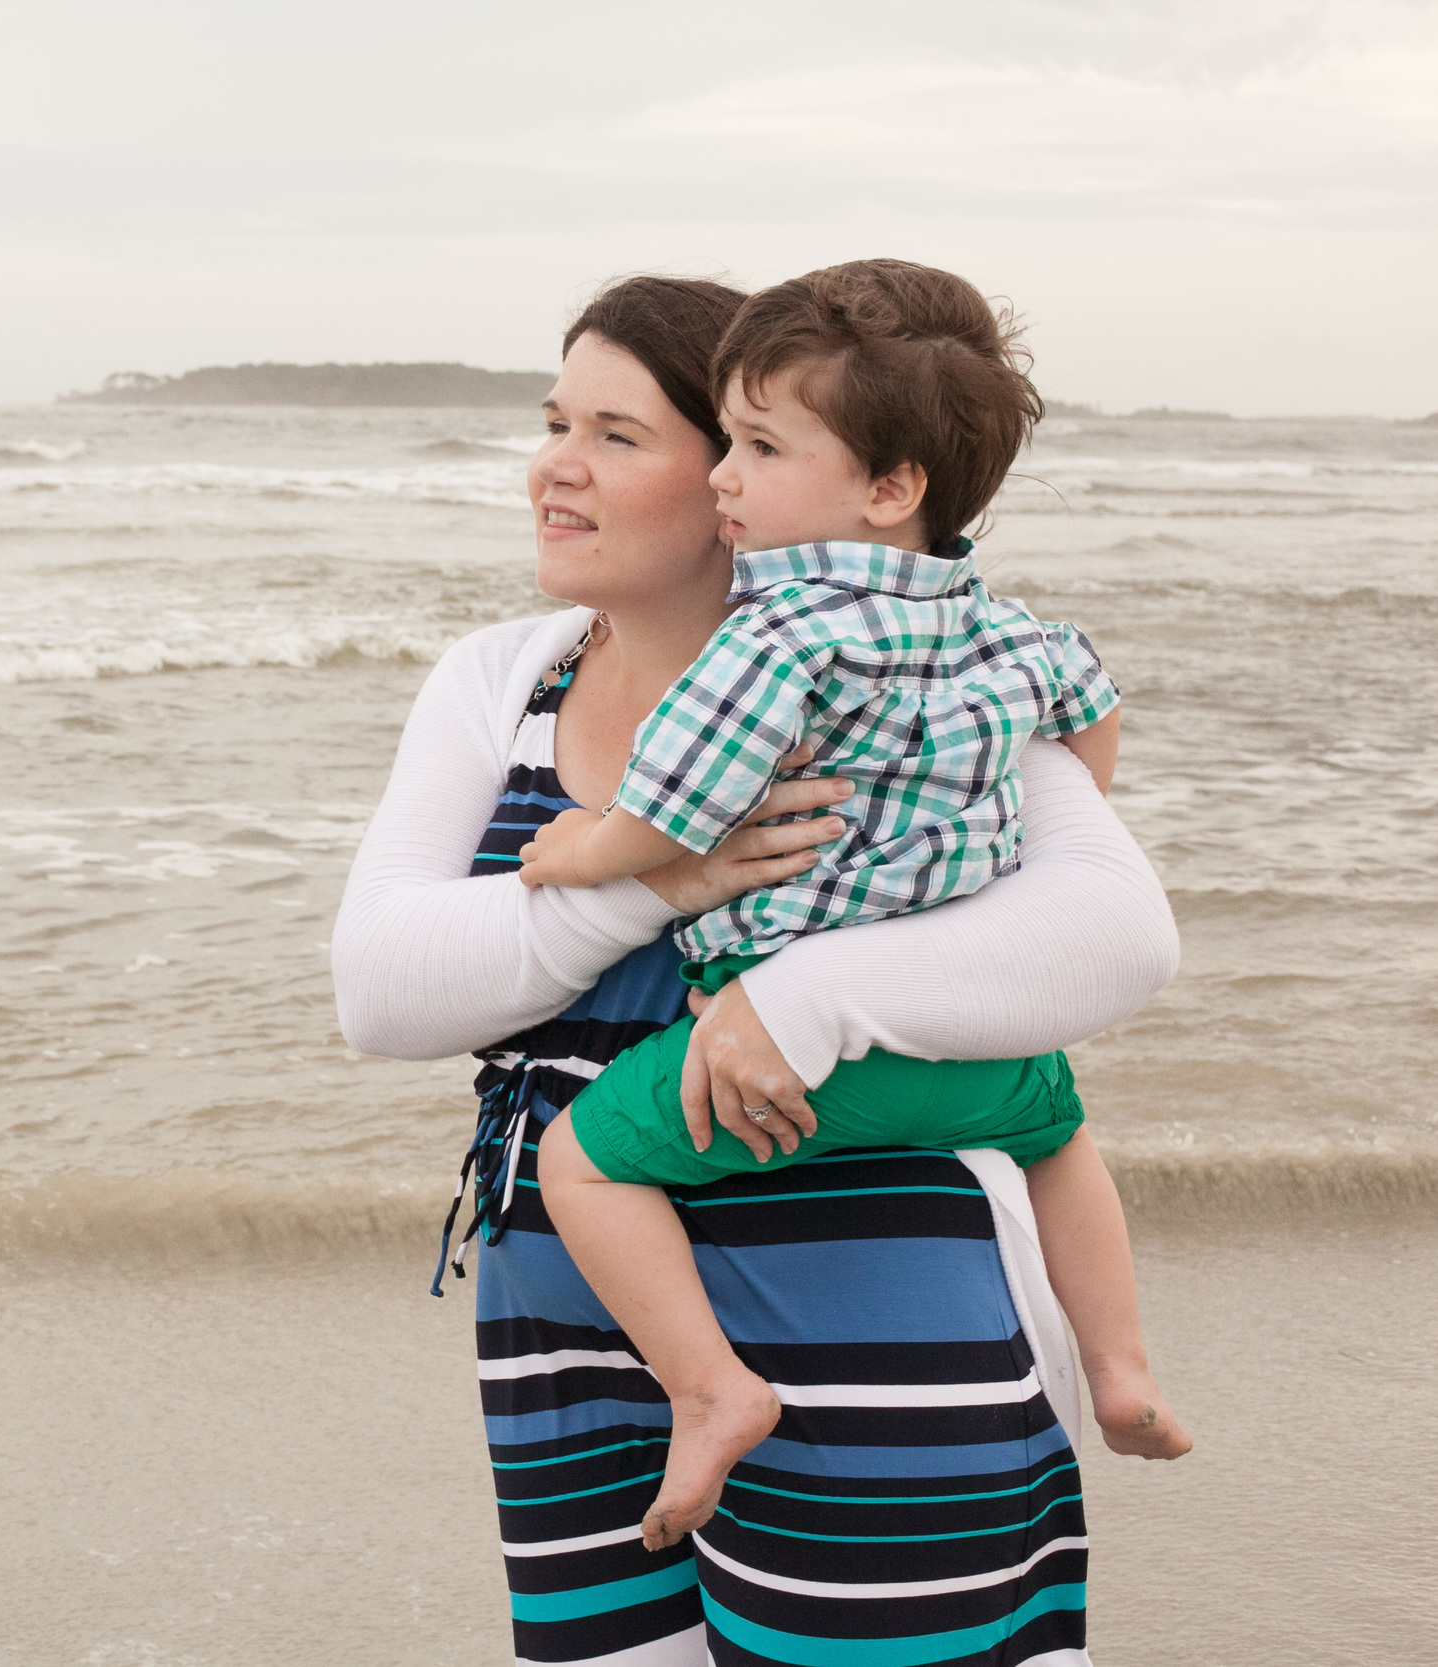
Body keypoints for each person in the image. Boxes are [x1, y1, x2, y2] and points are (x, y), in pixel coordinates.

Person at [333, 273, 1182, 1664]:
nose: (554, 467)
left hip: (866, 1313)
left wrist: (803, 996)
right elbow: (382, 994)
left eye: (617, 434)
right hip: (572, 1337)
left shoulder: (902, 684)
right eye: (554, 422)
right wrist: (661, 889)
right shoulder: (504, 681)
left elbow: (1117, 934)